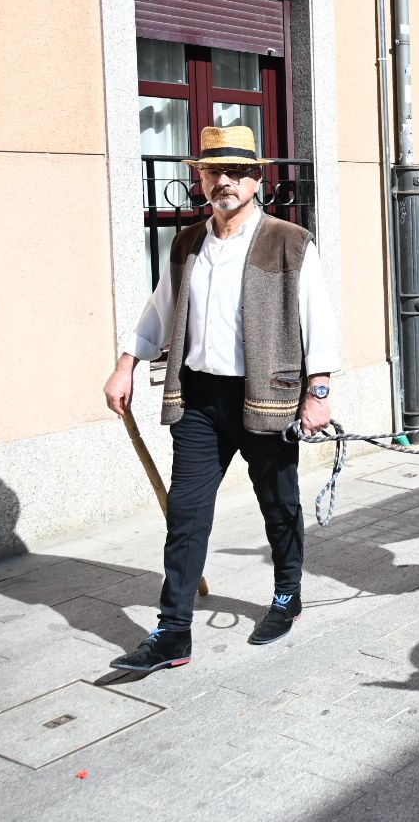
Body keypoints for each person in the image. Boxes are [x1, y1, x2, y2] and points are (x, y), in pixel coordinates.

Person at [102, 126, 339, 672]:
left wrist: (318, 392)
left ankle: (286, 595)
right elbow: (159, 312)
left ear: (257, 179)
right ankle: (173, 632)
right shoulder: (187, 243)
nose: (223, 181)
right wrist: (125, 366)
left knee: (278, 504)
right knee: (185, 514)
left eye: (235, 172)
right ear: (200, 179)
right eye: (213, 171)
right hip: (200, 399)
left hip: (267, 398)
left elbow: (317, 324)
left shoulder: (290, 241)